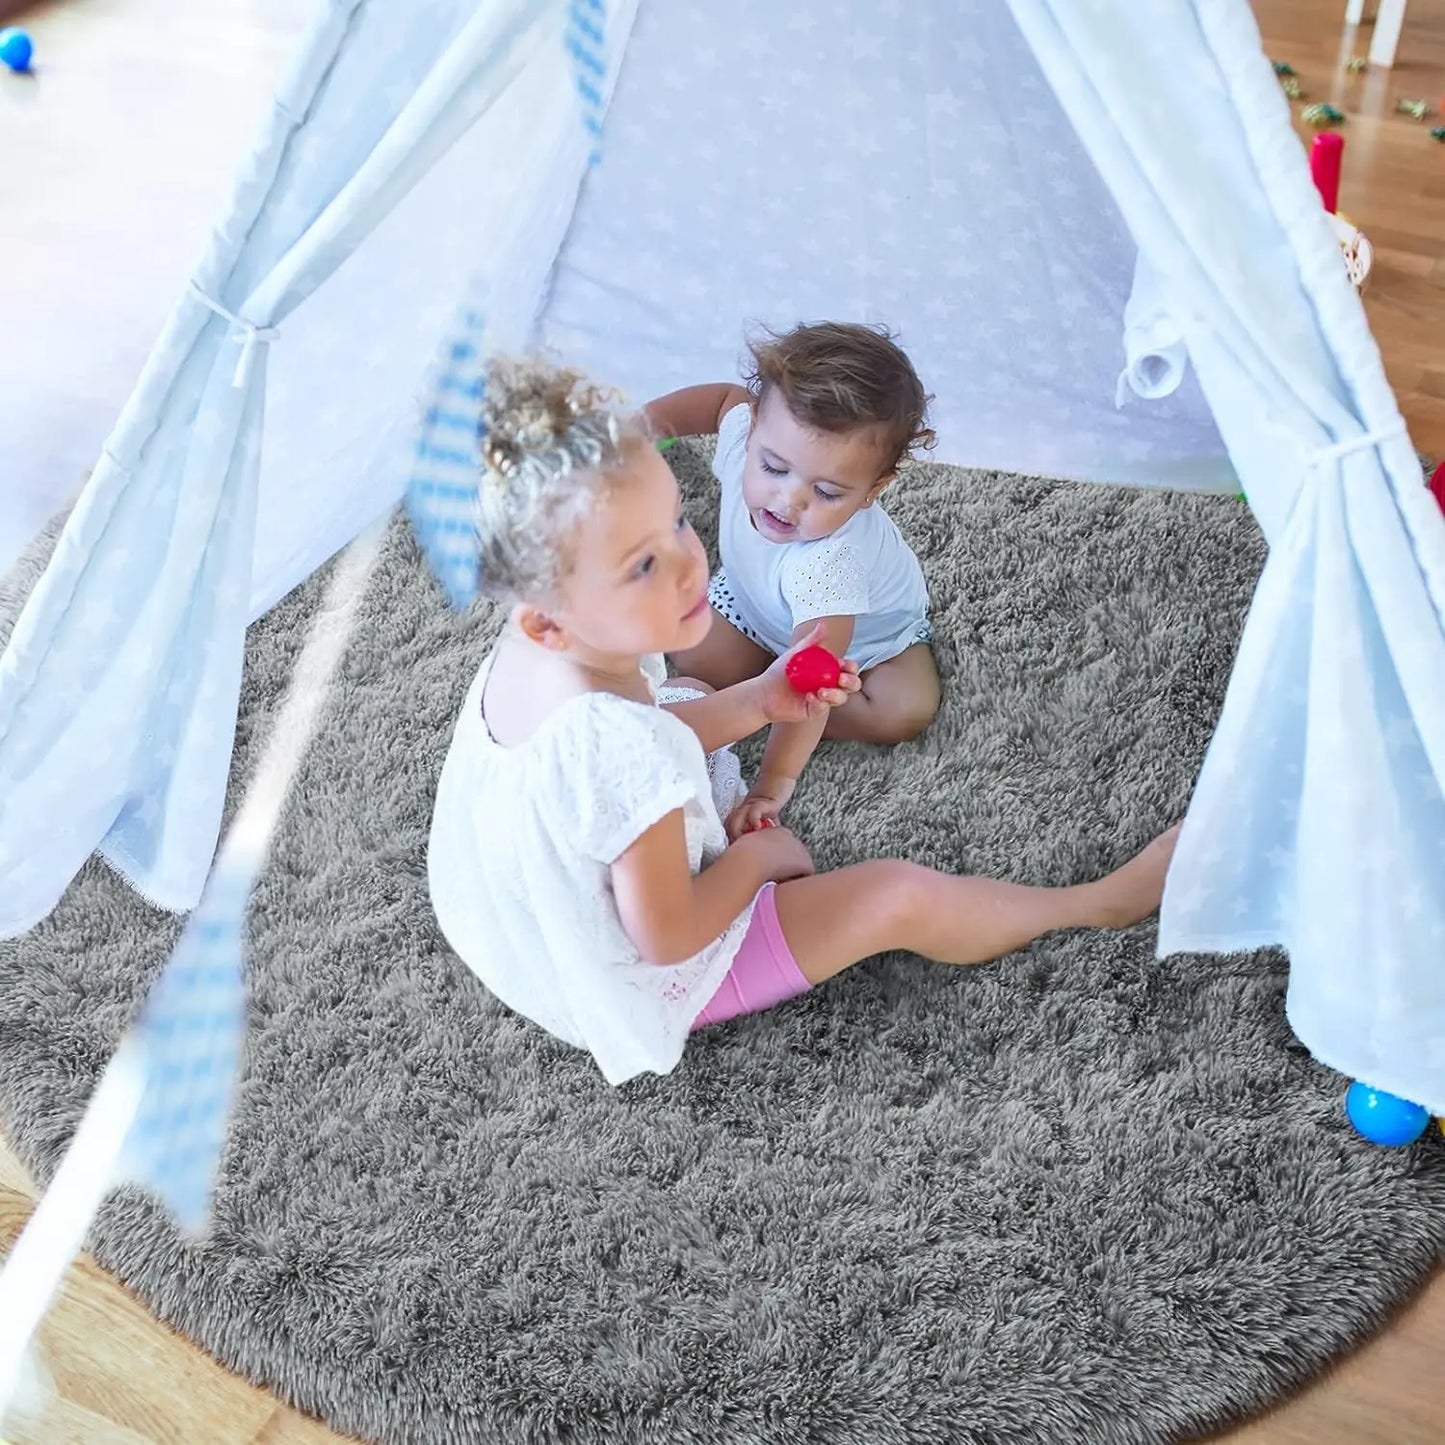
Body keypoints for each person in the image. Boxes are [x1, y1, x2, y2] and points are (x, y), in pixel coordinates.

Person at [426, 356, 1178, 1087]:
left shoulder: (540, 646)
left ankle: (719, 698)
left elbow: (641, 734)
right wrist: (759, 858)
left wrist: (756, 701)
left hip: (510, 918)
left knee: (685, 692)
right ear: (550, 621)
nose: (693, 567)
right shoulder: (619, 751)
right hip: (622, 970)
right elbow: (667, 936)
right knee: (896, 896)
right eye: (642, 566)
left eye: (680, 522)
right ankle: (1094, 903)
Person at [646, 322, 939, 837]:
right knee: (690, 650)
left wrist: (770, 786)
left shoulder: (829, 566)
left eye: (827, 492)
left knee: (902, 711)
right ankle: (762, 679)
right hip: (753, 606)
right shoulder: (746, 438)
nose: (788, 500)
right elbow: (722, 402)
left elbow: (814, 682)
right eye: (774, 467)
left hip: (871, 643)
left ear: (873, 489)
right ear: (755, 428)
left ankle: (766, 688)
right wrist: (646, 427)